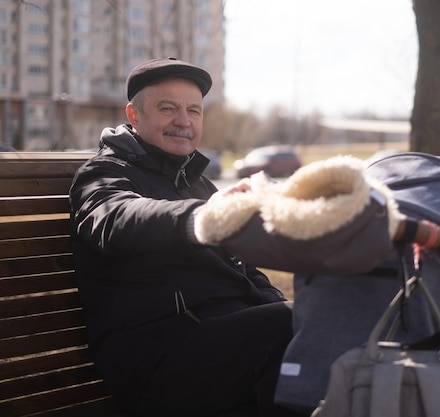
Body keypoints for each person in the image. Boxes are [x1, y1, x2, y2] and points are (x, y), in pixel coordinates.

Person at [69, 58, 303, 417]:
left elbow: (245, 270)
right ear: (134, 114)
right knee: (289, 325)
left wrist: (290, 309)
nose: (183, 121)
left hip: (220, 347)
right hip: (155, 358)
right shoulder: (103, 174)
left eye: (194, 111)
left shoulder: (198, 182)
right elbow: (115, 218)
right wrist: (202, 217)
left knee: (318, 316)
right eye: (168, 109)